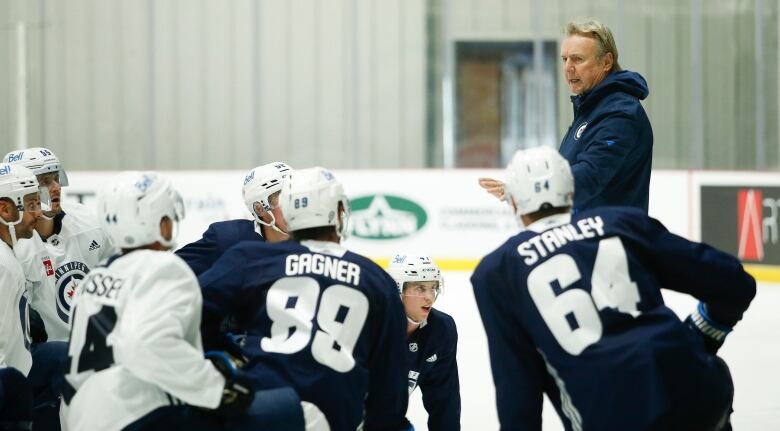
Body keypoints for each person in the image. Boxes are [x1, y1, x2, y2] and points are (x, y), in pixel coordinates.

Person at [471, 147, 755, 431]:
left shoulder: (496, 272)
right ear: (571, 193)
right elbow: (733, 282)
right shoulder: (620, 222)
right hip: (699, 393)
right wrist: (703, 333)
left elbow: (518, 392)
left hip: (610, 417)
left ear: (514, 204)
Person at [62, 171, 283, 431]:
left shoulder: (93, 279)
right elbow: (147, 343)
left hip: (78, 417)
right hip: (137, 413)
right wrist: (218, 389)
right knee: (284, 408)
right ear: (160, 223)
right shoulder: (165, 268)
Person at [199, 167, 409, 431]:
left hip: (262, 407)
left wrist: (225, 353)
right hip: (335, 415)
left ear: (288, 212)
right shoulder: (378, 281)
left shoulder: (252, 258)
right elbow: (391, 389)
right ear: (341, 212)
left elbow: (191, 308)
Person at [479, 18, 652, 213]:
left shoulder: (620, 113)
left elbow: (589, 175)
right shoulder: (592, 109)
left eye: (578, 59)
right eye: (564, 59)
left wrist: (528, 188)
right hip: (587, 235)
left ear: (606, 62)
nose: (568, 68)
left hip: (610, 238)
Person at [3, 147, 117, 343]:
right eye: (45, 181)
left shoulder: (87, 222)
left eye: (56, 178)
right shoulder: (11, 246)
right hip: (43, 356)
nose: (56, 187)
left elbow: (120, 270)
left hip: (94, 346)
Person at [176, 162, 293, 276]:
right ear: (259, 208)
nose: (293, 205)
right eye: (283, 198)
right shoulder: (228, 238)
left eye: (295, 195)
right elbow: (171, 269)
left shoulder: (309, 236)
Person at [387, 254, 460, 431]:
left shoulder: (441, 329)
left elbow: (444, 402)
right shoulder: (369, 323)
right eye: (420, 288)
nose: (430, 297)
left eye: (433, 288)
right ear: (397, 289)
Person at [0, 164, 45, 430]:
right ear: (5, 209)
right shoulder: (3, 264)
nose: (38, 213)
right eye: (30, 205)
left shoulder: (8, 255)